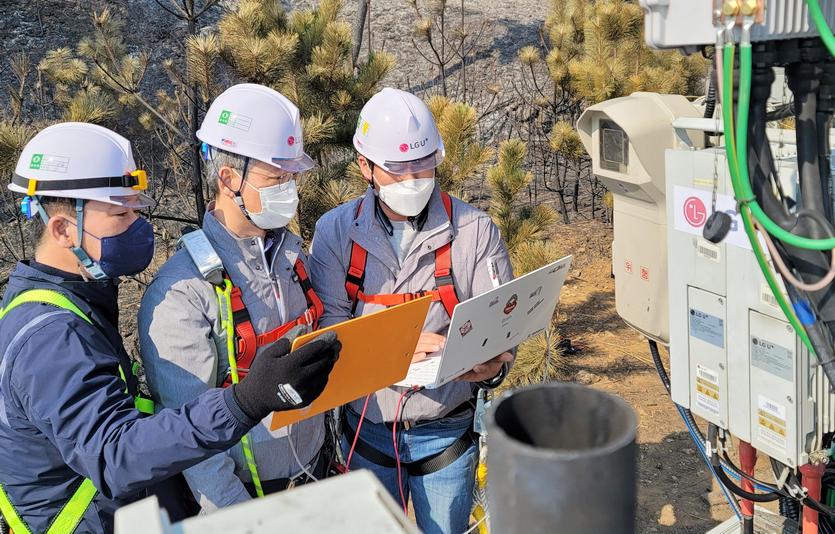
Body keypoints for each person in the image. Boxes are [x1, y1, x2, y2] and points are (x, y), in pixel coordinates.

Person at [0, 122, 340, 533]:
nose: (138, 224)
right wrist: (243, 403)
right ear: (62, 228)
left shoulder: (75, 304)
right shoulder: (53, 337)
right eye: (120, 212)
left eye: (136, 208)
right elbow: (115, 457)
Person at [308, 88, 514, 534]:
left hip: (445, 430)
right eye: (397, 168)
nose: (413, 179)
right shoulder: (336, 233)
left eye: (423, 164)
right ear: (364, 166)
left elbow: (503, 327)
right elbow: (327, 328)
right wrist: (393, 348)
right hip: (367, 433)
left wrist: (492, 365)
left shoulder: (473, 231)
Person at [139, 83, 331, 511]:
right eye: (276, 177)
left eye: (293, 176)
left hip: (316, 475)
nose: (291, 189)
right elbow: (193, 444)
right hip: (250, 499)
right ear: (228, 178)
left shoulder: (292, 257)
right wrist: (242, 521)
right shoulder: (183, 293)